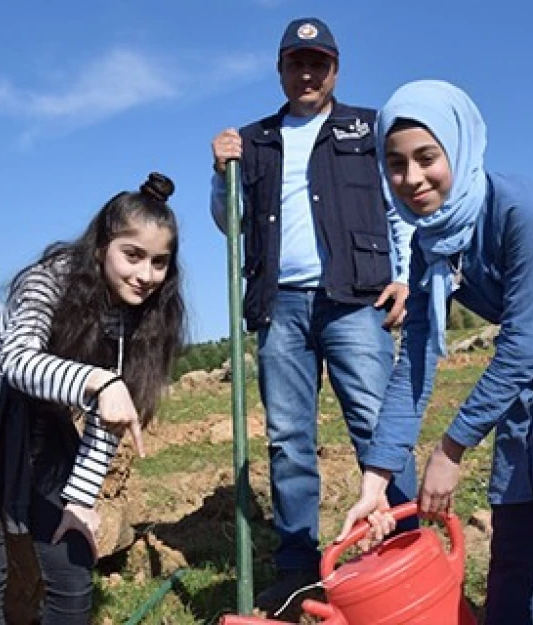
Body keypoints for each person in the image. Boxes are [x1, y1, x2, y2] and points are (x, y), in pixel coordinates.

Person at [336, 80, 533, 624]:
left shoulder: (521, 209)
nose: (411, 179)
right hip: (529, 357)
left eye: (427, 158)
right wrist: (376, 480)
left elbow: (523, 345)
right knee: (515, 523)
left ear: (458, 147)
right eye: (395, 163)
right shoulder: (427, 244)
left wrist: (448, 451)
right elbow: (412, 368)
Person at [208, 16, 416, 615]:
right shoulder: (255, 141)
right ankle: (299, 570)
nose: (307, 73)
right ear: (280, 70)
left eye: (317, 63)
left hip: (357, 299)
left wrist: (404, 275)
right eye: (296, 63)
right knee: (288, 441)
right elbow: (232, 223)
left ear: (334, 70)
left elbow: (398, 205)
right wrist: (220, 174)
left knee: (380, 429)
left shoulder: (368, 128)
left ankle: (404, 545)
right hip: (282, 307)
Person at [0, 173, 185, 624]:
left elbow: (109, 418)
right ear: (102, 246)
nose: (145, 276)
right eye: (133, 255)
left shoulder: (141, 319)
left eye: (159, 263)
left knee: (72, 561)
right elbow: (19, 362)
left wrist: (81, 500)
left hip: (40, 406)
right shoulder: (50, 279)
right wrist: (101, 382)